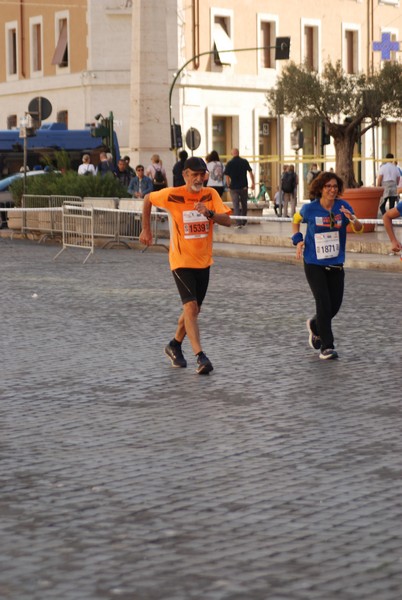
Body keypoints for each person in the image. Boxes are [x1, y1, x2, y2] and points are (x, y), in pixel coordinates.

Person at [139, 157, 231, 374]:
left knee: (194, 310)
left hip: (204, 261)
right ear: (185, 175)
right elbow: (147, 198)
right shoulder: (173, 194)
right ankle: (201, 356)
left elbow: (228, 220)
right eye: (194, 174)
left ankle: (174, 345)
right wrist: (146, 229)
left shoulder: (211, 195)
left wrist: (208, 213)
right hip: (181, 261)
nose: (199, 178)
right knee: (190, 308)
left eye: (202, 174)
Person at [291, 171, 363, 360]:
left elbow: (359, 227)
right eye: (328, 186)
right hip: (314, 262)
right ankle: (327, 346)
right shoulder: (310, 209)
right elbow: (295, 220)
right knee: (323, 302)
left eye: (335, 186)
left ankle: (315, 325)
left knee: (334, 305)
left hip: (336, 263)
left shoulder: (343, 206)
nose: (332, 189)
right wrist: (297, 239)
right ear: (321, 189)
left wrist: (352, 219)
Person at [224, 148, 255, 228]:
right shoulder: (244, 161)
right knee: (244, 204)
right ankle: (244, 220)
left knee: (236, 205)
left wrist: (228, 184)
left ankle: (238, 222)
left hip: (233, 187)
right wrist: (253, 183)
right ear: (238, 153)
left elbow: (227, 176)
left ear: (232, 154)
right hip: (243, 186)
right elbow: (251, 172)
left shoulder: (230, 163)